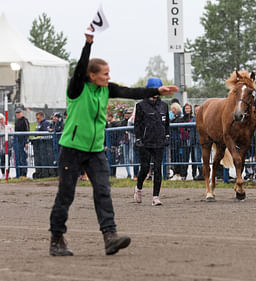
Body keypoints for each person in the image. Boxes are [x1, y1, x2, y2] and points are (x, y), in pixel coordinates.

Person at [49, 31, 178, 256]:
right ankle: (56, 238)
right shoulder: (77, 89)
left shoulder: (105, 89)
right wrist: (88, 44)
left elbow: (131, 91)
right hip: (72, 148)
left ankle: (110, 236)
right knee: (66, 195)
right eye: (105, 74)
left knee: (103, 191)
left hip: (96, 150)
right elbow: (79, 68)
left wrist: (156, 90)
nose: (108, 77)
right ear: (91, 75)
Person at [133, 77, 170, 206]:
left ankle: (155, 197)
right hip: (145, 142)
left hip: (159, 142)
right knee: (145, 168)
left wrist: (167, 136)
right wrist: (138, 138)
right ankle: (138, 188)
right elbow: (137, 124)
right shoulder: (141, 105)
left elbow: (166, 124)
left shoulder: (164, 106)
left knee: (158, 168)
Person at [14, 108, 29, 178]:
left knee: (23, 158)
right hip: (17, 142)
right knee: (18, 158)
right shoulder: (16, 121)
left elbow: (27, 130)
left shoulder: (25, 120)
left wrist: (26, 142)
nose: (18, 114)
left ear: (22, 113)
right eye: (17, 113)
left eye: (19, 113)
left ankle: (24, 174)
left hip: (23, 141)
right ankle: (18, 174)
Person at [0, 114, 13, 178]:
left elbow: (12, 134)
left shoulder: (9, 126)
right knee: (2, 160)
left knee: (8, 160)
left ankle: (8, 173)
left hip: (8, 146)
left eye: (2, 119)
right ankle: (3, 173)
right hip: (1, 147)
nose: (1, 121)